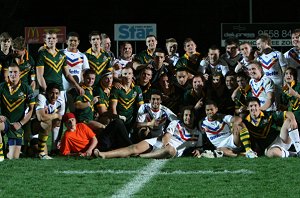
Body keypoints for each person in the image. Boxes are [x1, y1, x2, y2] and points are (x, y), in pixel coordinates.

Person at [93, 106, 203, 159]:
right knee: (133, 148)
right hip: (160, 142)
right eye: (186, 115)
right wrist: (164, 144)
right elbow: (167, 135)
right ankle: (104, 155)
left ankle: (142, 157)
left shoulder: (198, 133)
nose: (188, 117)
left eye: (190, 115)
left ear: (194, 117)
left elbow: (199, 148)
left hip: (171, 150)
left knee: (169, 150)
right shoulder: (176, 123)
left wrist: (198, 151)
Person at [36, 30, 84, 151]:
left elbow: (67, 74)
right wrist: (47, 92)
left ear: (57, 40)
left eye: (53, 38)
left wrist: (77, 86)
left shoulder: (62, 55)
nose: (51, 40)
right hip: (47, 92)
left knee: (58, 119)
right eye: (49, 38)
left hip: (60, 92)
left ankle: (54, 147)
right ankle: (38, 146)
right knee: (45, 117)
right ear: (45, 40)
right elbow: (40, 76)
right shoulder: (42, 54)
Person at [0, 64, 35, 159]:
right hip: (4, 121)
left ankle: (7, 150)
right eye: (10, 72)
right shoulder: (2, 87)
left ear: (20, 74)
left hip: (16, 125)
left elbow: (31, 109)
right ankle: (0, 154)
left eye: (15, 72)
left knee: (14, 157)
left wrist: (20, 123)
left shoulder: (26, 88)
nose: (13, 74)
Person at [110, 66, 144, 139]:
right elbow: (113, 107)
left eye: (130, 73)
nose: (128, 76)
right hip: (120, 119)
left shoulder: (137, 89)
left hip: (132, 120)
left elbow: (141, 107)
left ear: (132, 75)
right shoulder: (116, 89)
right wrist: (117, 121)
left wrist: (140, 121)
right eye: (125, 73)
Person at [32, 82, 65, 159]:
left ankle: (52, 148)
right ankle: (35, 150)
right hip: (32, 128)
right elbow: (41, 117)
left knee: (56, 121)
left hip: (43, 130)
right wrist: (55, 115)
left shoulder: (60, 101)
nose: (54, 96)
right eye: (52, 93)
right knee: (47, 121)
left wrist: (51, 117)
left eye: (57, 93)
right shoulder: (41, 97)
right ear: (46, 92)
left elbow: (60, 119)